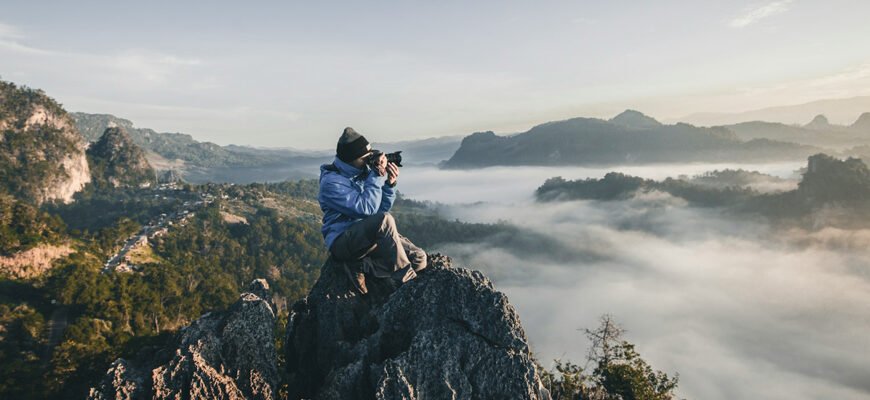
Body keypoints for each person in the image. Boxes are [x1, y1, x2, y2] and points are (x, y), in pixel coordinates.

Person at [318, 127, 427, 294]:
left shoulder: (362, 173)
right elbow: (367, 210)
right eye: (365, 158)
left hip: (367, 238)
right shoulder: (332, 183)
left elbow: (378, 210)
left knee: (419, 258)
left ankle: (364, 267)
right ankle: (406, 282)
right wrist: (375, 176)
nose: (369, 161)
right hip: (343, 241)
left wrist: (390, 185)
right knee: (385, 220)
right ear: (351, 159)